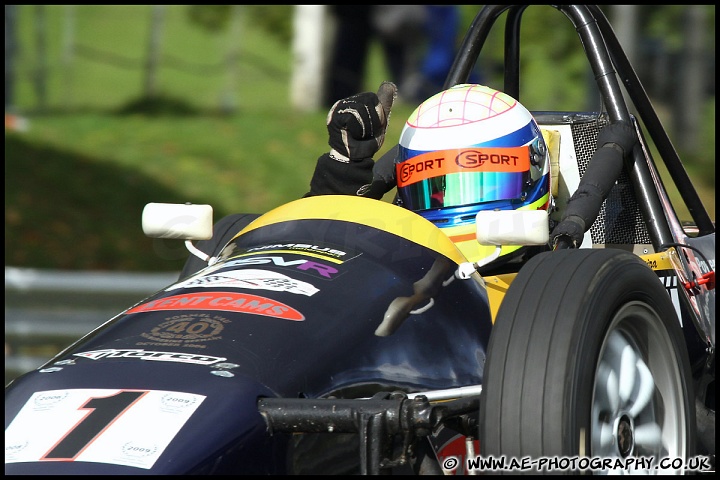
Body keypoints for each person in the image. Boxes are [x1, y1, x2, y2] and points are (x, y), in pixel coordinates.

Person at [182, 82, 637, 277]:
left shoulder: (562, 275)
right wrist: (347, 166)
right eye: (435, 188)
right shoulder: (393, 260)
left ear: (536, 172)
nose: (462, 209)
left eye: (484, 186)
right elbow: (320, 243)